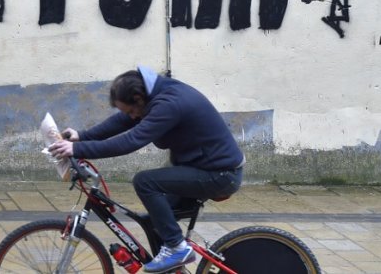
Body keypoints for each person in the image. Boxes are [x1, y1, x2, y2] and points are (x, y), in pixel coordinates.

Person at [48, 65, 245, 273]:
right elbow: (123, 120)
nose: (132, 117)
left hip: (220, 174)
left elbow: (132, 140)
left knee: (145, 182)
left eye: (132, 110)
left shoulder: (168, 103)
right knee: (155, 220)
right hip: (203, 167)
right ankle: (174, 263)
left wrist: (77, 148)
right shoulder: (153, 94)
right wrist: (83, 136)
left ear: (138, 97)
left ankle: (178, 248)